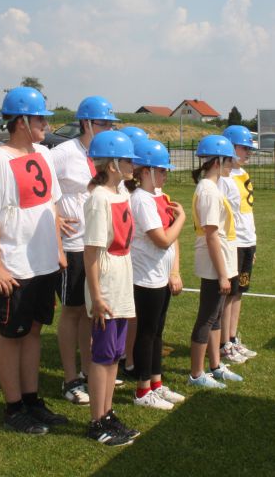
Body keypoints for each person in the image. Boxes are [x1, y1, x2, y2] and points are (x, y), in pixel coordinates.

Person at [0, 86, 69, 435]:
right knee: (10, 335)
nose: (46, 124)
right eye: (40, 118)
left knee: (33, 332)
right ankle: (13, 407)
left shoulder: (44, 154)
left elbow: (53, 207)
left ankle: (32, 400)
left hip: (44, 263)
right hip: (15, 266)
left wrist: (58, 250)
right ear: (20, 122)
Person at [52, 95, 118, 405]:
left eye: (110, 124)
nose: (108, 129)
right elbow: (42, 189)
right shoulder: (64, 153)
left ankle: (92, 371)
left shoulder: (106, 156)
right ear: (86, 123)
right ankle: (69, 378)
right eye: (103, 123)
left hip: (99, 245)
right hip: (75, 244)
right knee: (73, 310)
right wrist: (54, 216)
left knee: (92, 311)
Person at [83, 130, 141, 446]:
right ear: (114, 163)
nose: (134, 164)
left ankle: (107, 413)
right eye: (129, 159)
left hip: (121, 281)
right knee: (102, 356)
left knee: (114, 355)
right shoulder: (98, 200)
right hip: (105, 284)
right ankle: (96, 421)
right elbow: (91, 252)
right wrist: (97, 296)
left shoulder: (122, 194)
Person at [126, 138, 187, 409]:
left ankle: (156, 384)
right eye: (162, 170)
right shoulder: (141, 200)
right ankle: (142, 390)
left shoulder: (158, 197)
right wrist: (183, 220)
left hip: (160, 276)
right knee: (147, 333)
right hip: (145, 277)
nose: (166, 174)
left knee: (157, 332)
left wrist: (175, 270)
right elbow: (163, 239)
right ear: (147, 171)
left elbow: (172, 242)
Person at [188, 135, 243, 389]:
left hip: (222, 261)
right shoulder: (208, 190)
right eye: (228, 160)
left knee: (217, 317)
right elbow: (211, 235)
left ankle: (215, 365)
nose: (232, 164)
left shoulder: (213, 187)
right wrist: (222, 274)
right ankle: (197, 374)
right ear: (217, 161)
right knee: (207, 317)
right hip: (215, 263)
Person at [218, 125, 259, 364]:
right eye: (245, 148)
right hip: (233, 243)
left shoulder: (242, 174)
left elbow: (247, 211)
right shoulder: (223, 178)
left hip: (247, 241)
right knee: (229, 294)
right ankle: (224, 343)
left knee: (239, 292)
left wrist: (254, 241)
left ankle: (233, 338)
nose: (248, 153)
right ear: (231, 147)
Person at [115, 125, 147, 381]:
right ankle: (126, 358)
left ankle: (128, 355)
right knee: (128, 312)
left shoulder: (132, 187)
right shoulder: (122, 189)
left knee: (132, 311)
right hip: (128, 257)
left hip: (133, 256)